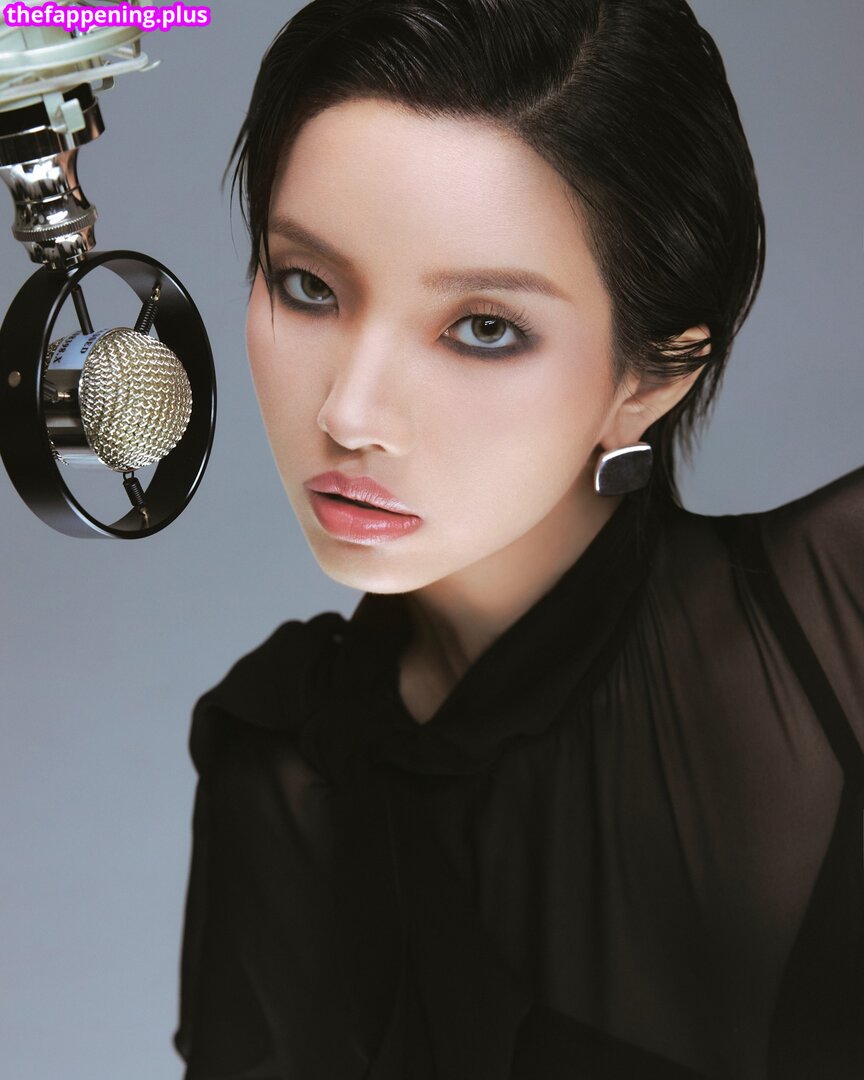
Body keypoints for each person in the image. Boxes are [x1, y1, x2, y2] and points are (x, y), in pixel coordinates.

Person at [174, 1, 863, 1076]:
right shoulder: (283, 764)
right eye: (309, 286)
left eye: (483, 328)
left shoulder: (840, 615)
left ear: (651, 380)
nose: (350, 413)